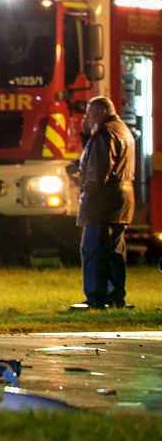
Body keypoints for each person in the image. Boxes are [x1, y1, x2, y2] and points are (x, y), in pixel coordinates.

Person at [71, 96, 135, 310]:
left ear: (100, 112)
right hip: (122, 200)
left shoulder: (104, 134)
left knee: (93, 250)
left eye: (89, 114)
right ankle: (115, 297)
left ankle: (96, 298)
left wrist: (85, 192)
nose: (86, 118)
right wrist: (86, 136)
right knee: (114, 252)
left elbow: (99, 171)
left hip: (102, 201)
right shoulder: (122, 130)